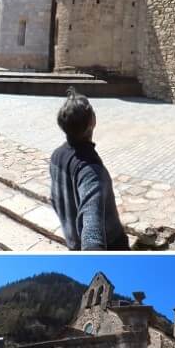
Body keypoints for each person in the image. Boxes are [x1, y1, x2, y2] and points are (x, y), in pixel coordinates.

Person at [50, 87, 130, 250]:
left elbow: (53, 199)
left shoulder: (56, 156)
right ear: (92, 121)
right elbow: (92, 230)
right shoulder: (90, 172)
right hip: (112, 246)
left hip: (73, 243)